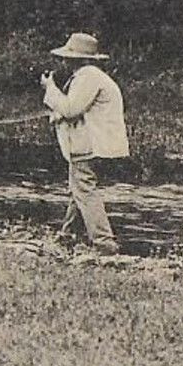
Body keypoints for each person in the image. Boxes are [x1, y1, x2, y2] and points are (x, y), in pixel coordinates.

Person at [39, 31, 129, 254]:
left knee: (84, 190)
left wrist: (50, 88)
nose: (63, 61)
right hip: (97, 144)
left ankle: (103, 241)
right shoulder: (92, 76)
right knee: (77, 189)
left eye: (66, 57)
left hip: (89, 145)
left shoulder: (88, 76)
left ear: (74, 59)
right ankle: (67, 235)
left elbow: (70, 109)